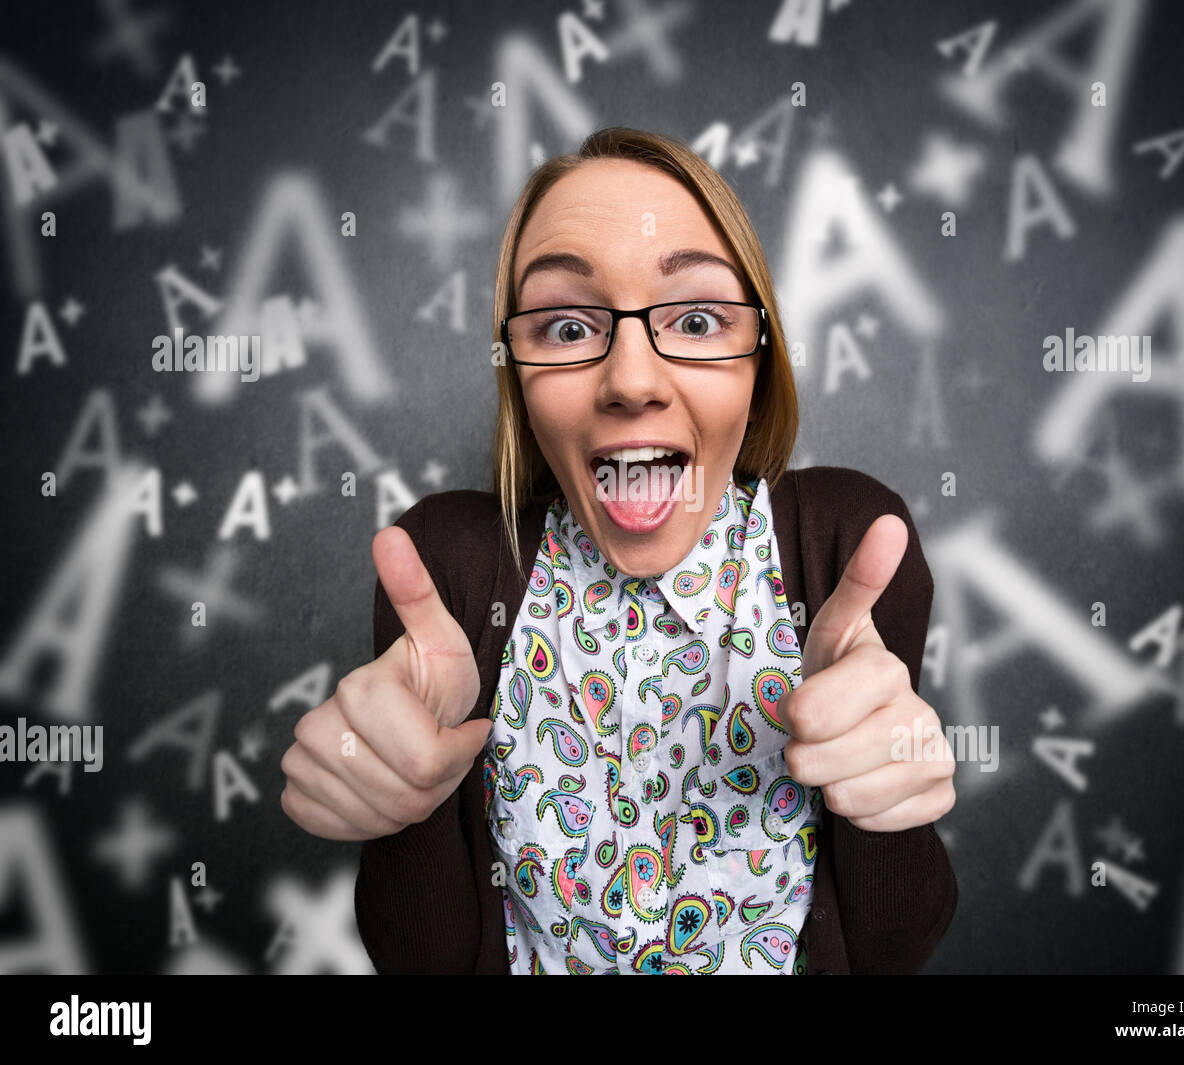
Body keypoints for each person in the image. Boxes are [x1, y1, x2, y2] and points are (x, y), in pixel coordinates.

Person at [281, 126, 958, 974]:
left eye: (700, 317)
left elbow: (893, 948)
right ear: (517, 374)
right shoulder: (446, 568)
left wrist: (884, 807)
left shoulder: (847, 547)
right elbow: (426, 961)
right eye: (567, 326)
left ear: (760, 355)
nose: (631, 381)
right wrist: (404, 806)